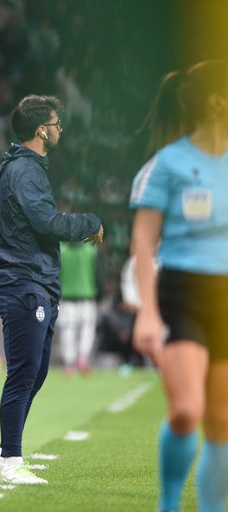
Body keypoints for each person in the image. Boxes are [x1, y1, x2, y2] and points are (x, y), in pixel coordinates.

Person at [0, 95, 103, 485]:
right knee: (24, 372)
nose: (59, 129)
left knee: (34, 373)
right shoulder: (25, 169)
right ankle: (12, 460)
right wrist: (87, 223)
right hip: (24, 282)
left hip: (33, 281)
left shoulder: (23, 167)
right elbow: (45, 221)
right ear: (42, 130)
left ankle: (6, 456)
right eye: (56, 123)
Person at [130, 60, 228, 512]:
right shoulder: (168, 164)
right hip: (182, 293)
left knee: (222, 421)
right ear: (216, 101)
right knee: (186, 411)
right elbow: (144, 240)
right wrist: (147, 311)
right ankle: (168, 505)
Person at [57, 241, 100, 376]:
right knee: (87, 329)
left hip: (67, 298)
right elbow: (99, 275)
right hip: (87, 296)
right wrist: (100, 295)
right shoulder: (91, 250)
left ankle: (70, 364)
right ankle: (83, 358)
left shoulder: (61, 251)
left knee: (67, 331)